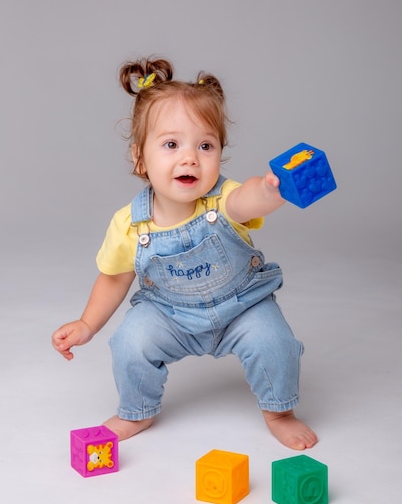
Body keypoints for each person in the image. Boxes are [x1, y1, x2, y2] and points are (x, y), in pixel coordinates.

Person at [52, 56, 318, 450]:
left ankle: (279, 410)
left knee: (274, 343)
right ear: (140, 158)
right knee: (130, 342)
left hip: (242, 307)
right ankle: (136, 411)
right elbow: (114, 277)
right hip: (169, 314)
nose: (190, 157)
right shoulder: (130, 223)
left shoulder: (223, 200)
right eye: (171, 144)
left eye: (205, 145)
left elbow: (250, 199)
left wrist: (272, 189)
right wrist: (87, 324)